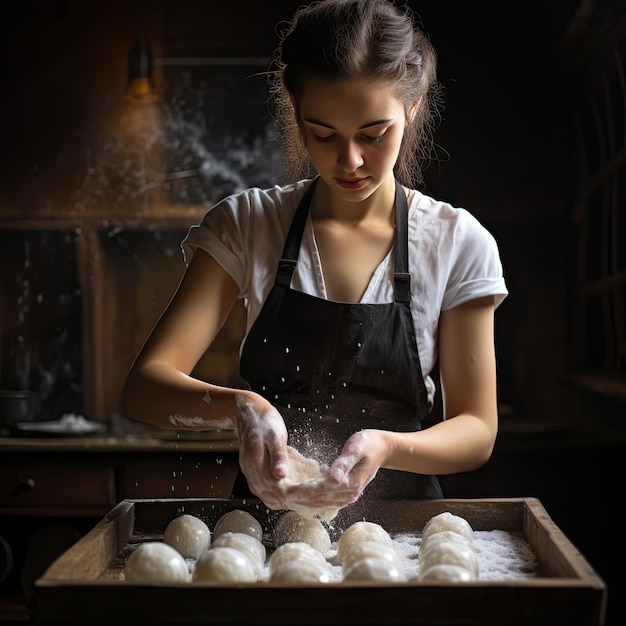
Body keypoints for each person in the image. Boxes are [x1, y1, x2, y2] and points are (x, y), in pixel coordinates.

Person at [122, 0, 508, 519]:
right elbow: (146, 388)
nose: (350, 160)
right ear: (295, 110)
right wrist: (243, 407)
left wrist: (387, 446)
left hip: (405, 533)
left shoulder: (456, 242)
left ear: (411, 109)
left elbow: (477, 430)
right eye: (324, 134)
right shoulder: (249, 224)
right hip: (262, 530)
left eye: (374, 135)